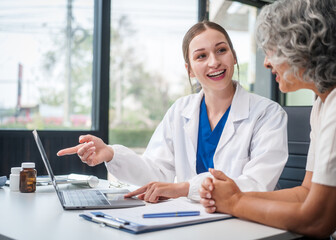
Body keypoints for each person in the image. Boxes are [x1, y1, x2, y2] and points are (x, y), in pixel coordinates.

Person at [57, 21, 288, 203]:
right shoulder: (180, 111)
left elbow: (256, 184)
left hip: (246, 224)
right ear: (189, 69)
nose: (214, 62)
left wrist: (184, 188)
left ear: (234, 56)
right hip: (192, 221)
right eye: (201, 56)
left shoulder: (267, 114)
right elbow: (157, 174)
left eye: (221, 50)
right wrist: (110, 154)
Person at [199, 0, 336, 239]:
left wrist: (233, 203)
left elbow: (318, 220)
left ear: (304, 46)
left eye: (272, 50)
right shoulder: (323, 103)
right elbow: (306, 192)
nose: (266, 62)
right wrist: (235, 195)